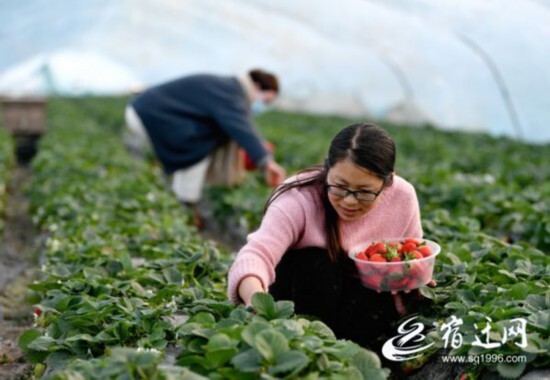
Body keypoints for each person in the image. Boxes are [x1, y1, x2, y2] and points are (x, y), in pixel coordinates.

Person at [227, 123, 435, 354]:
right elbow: (256, 253)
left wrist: (414, 274)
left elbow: (409, 255)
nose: (349, 201)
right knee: (317, 261)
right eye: (340, 186)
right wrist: (256, 301)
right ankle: (304, 351)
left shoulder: (402, 197)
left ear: (388, 182)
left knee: (377, 290)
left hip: (359, 304)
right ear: (327, 169)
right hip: (300, 300)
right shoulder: (299, 197)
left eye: (364, 192)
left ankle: (348, 358)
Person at [124, 69, 286, 222]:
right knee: (196, 154)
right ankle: (185, 206)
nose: (262, 105)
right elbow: (240, 126)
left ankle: (180, 201)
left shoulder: (229, 87)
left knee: (199, 148)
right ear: (257, 86)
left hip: (146, 112)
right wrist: (266, 160)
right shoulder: (232, 91)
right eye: (266, 100)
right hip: (147, 115)